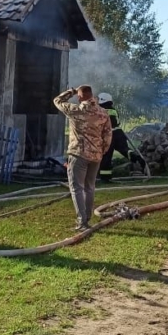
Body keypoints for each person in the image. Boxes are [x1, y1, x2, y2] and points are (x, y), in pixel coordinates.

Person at [53, 85, 112, 231]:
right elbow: (108, 135)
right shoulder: (103, 113)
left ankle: (82, 221)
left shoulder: (75, 110)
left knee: (77, 188)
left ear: (80, 96)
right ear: (92, 95)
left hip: (78, 154)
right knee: (90, 187)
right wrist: (101, 151)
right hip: (96, 156)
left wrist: (71, 91)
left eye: (77, 95)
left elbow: (57, 101)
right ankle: (87, 218)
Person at [98, 92, 147, 181]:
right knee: (125, 150)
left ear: (102, 100)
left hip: (109, 135)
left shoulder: (101, 111)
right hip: (119, 133)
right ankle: (137, 158)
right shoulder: (113, 110)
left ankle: (105, 178)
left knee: (106, 156)